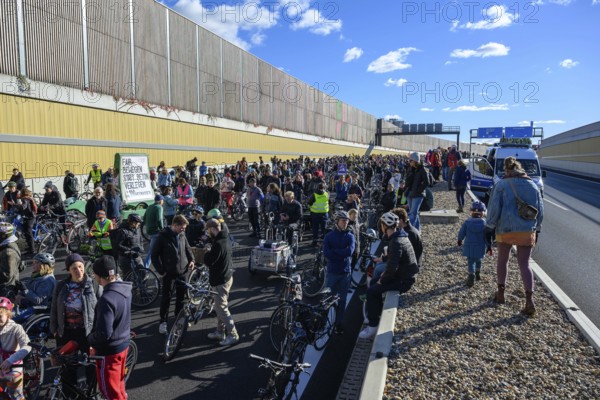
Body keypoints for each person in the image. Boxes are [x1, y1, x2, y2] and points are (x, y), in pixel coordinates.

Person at [486, 157, 543, 316]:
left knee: (502, 260)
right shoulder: (533, 185)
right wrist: (536, 228)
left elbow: (494, 209)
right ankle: (529, 300)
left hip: (505, 229)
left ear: (507, 170)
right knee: (525, 263)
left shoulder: (501, 185)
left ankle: (501, 294)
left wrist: (489, 226)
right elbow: (540, 210)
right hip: (526, 229)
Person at [359, 212, 418, 340]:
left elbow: (392, 267)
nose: (381, 227)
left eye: (382, 225)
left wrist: (382, 280)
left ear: (385, 226)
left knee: (372, 290)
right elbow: (396, 256)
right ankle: (376, 312)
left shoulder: (396, 241)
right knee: (374, 282)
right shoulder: (400, 236)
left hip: (404, 280)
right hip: (404, 275)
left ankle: (373, 326)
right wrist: (383, 258)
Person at [50, 253, 98, 398]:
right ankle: (69, 395)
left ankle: (90, 393)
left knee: (89, 364)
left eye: (80, 267)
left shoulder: (93, 284)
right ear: (68, 270)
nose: (78, 271)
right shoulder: (61, 286)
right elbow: (54, 307)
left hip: (86, 332)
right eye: (74, 268)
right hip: (66, 332)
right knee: (67, 367)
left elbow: (101, 306)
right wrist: (53, 328)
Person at [89, 256, 132, 400]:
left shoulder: (106, 299)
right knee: (119, 385)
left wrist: (90, 339)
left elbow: (104, 333)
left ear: (99, 276)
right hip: (123, 344)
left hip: (109, 352)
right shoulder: (125, 289)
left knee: (109, 391)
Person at [151, 215, 194, 335]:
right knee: (166, 298)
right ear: (174, 225)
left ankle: (178, 318)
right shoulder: (162, 237)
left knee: (181, 298)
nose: (183, 230)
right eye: (182, 228)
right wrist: (161, 271)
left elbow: (187, 248)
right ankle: (163, 322)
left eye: (184, 228)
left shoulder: (182, 234)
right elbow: (154, 255)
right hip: (169, 273)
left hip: (183, 271)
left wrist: (192, 260)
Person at [203, 218, 238, 346]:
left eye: (208, 230)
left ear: (212, 229)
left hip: (220, 280)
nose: (208, 233)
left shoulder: (218, 244)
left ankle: (233, 334)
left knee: (222, 308)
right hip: (227, 277)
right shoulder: (226, 238)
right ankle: (220, 332)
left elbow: (208, 260)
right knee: (219, 307)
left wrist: (207, 252)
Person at [322, 211, 355, 335]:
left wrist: (335, 252)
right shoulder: (329, 236)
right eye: (343, 220)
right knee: (327, 300)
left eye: (347, 221)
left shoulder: (350, 236)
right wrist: (341, 252)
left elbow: (350, 252)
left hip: (345, 273)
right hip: (332, 272)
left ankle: (338, 324)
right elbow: (326, 253)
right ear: (337, 222)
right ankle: (323, 322)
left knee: (342, 301)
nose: (345, 223)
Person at [0, 297, 31, 400]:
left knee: (15, 395)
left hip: (13, 365)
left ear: (8, 314)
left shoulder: (16, 328)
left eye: (0, 316)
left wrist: (11, 360)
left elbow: (27, 346)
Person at [13, 253, 56, 322]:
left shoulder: (48, 281)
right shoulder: (37, 275)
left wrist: (25, 290)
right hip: (27, 305)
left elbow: (39, 300)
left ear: (44, 265)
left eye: (36, 262)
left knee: (8, 318)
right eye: (33, 262)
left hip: (36, 310)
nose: (33, 264)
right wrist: (20, 292)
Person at [458, 201, 491, 287]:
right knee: (479, 260)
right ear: (483, 213)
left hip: (469, 246)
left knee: (470, 261)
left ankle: (471, 275)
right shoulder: (485, 224)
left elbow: (462, 232)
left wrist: (460, 239)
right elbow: (487, 236)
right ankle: (477, 273)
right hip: (480, 246)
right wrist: (489, 246)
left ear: (471, 212)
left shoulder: (467, 222)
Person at [404, 152, 428, 231]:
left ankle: (409, 231)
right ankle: (417, 231)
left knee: (412, 214)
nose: (409, 162)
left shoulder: (422, 169)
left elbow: (426, 182)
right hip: (409, 193)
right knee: (414, 213)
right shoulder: (410, 169)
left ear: (415, 160)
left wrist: (419, 190)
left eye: (410, 160)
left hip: (418, 194)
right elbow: (407, 182)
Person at [143, 195, 165, 270]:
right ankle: (145, 268)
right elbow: (159, 219)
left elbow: (144, 218)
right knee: (152, 251)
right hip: (156, 231)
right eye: (163, 200)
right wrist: (162, 229)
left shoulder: (149, 206)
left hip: (149, 231)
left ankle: (161, 266)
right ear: (160, 201)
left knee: (160, 249)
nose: (163, 202)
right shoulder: (159, 207)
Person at [14, 188, 36, 256]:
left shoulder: (25, 199)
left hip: (30, 217)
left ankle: (32, 250)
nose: (19, 194)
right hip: (27, 216)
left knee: (28, 232)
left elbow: (23, 207)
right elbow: (23, 209)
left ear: (23, 193)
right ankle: (29, 247)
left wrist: (15, 205)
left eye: (20, 193)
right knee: (25, 231)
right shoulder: (26, 198)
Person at [0, 223, 20, 292]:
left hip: (7, 288)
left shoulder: (8, 252)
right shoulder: (10, 244)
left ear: (3, 236)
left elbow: (7, 275)